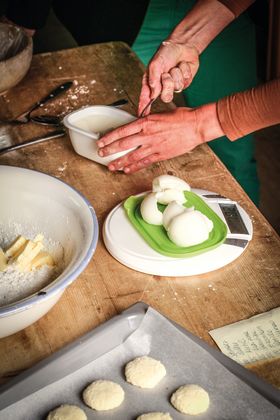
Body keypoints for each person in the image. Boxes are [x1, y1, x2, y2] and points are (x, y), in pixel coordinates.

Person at [96, 0, 279, 205]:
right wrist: (186, 41)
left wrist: (200, 124)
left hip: (231, 28)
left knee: (235, 156)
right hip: (141, 13)